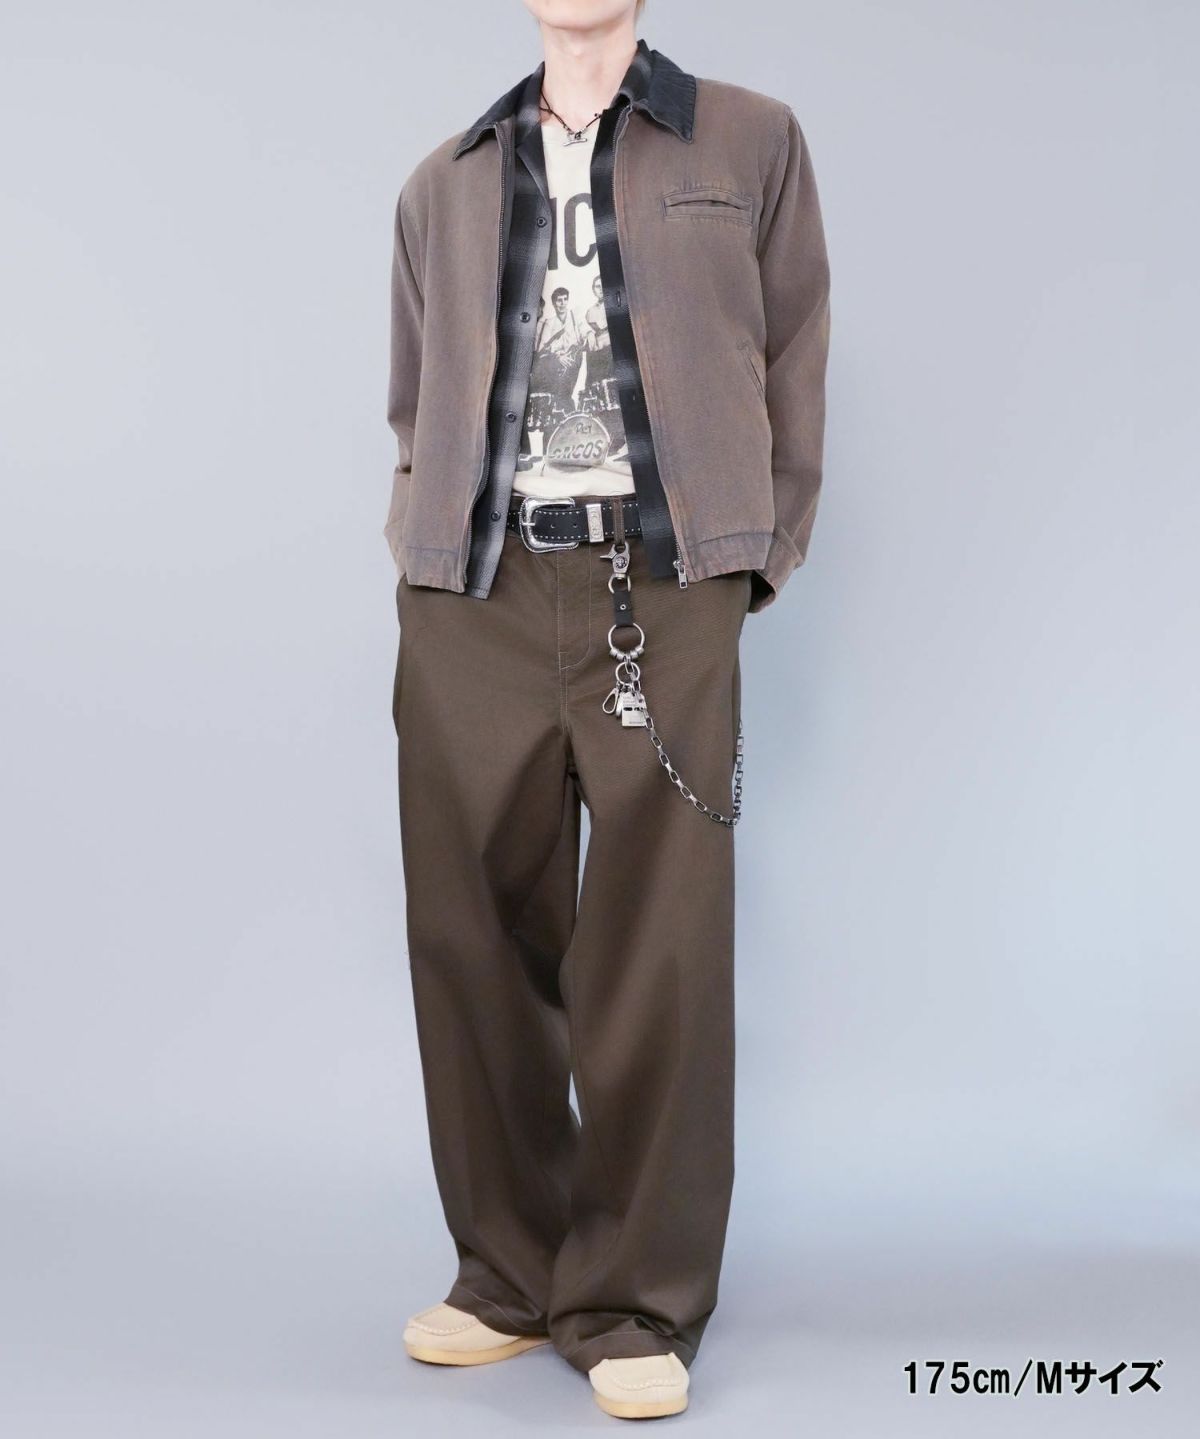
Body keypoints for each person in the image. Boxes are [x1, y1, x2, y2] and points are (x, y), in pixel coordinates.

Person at [385, 0, 830, 1420]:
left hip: (665, 583)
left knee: (657, 944)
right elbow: (413, 399)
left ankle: (636, 1299)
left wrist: (751, 558)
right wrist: (421, 547)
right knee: (469, 933)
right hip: (477, 592)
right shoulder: (445, 179)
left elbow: (794, 350)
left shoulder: (748, 141)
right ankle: (508, 1277)